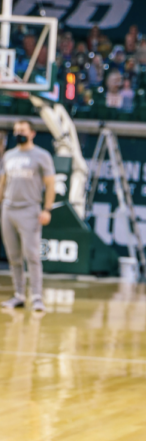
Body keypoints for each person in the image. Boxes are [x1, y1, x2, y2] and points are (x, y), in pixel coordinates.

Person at [0, 120, 55, 312]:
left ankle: (37, 297)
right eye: (16, 131)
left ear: (32, 133)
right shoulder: (8, 155)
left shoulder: (41, 155)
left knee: (32, 255)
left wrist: (46, 209)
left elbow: (50, 184)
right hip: (8, 208)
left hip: (29, 210)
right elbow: (3, 181)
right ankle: (19, 295)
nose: (18, 134)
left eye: (22, 131)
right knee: (13, 256)